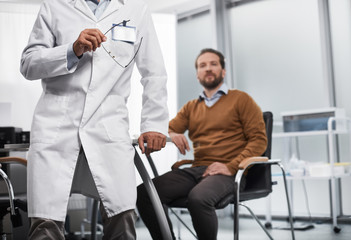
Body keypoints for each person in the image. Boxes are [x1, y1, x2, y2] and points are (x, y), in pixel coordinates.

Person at [20, 0, 168, 239]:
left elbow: (154, 73)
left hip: (108, 126)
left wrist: (153, 124)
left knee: (122, 217)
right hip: (56, 126)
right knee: (45, 224)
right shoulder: (55, 5)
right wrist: (72, 49)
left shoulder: (135, 8)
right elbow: (28, 64)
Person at [137, 48, 267, 240]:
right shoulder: (192, 107)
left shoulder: (241, 100)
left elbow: (259, 140)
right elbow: (165, 128)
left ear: (223, 71)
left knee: (198, 198)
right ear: (197, 74)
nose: (208, 69)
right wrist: (172, 133)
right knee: (145, 193)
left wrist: (229, 166)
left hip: (230, 171)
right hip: (197, 169)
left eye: (214, 64)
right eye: (202, 65)